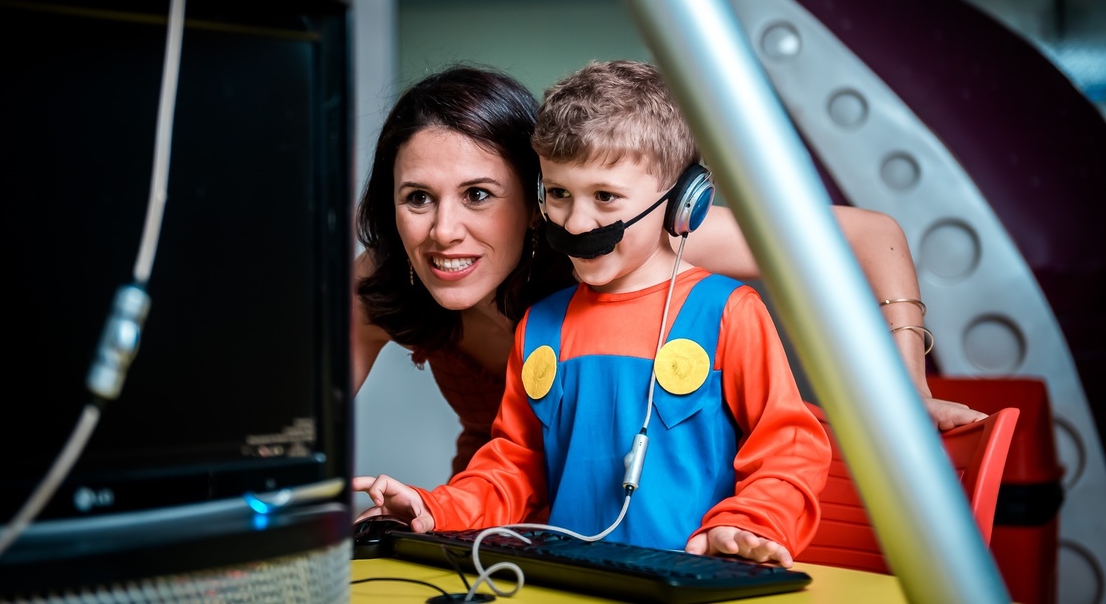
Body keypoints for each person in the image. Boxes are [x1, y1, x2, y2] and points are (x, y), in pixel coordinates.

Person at [353, 62, 982, 478]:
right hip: (496, 511)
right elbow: (300, 445)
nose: (444, 231)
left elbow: (872, 238)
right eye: (418, 198)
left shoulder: (618, 242)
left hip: (644, 519)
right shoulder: (384, 280)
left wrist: (909, 386)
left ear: (535, 195)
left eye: (480, 195)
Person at [354, 60, 831, 566]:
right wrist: (434, 506)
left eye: (605, 197)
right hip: (573, 577)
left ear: (681, 204)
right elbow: (514, 466)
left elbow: (788, 447)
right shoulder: (540, 326)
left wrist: (749, 526)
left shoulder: (727, 312)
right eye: (559, 194)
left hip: (699, 576)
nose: (578, 222)